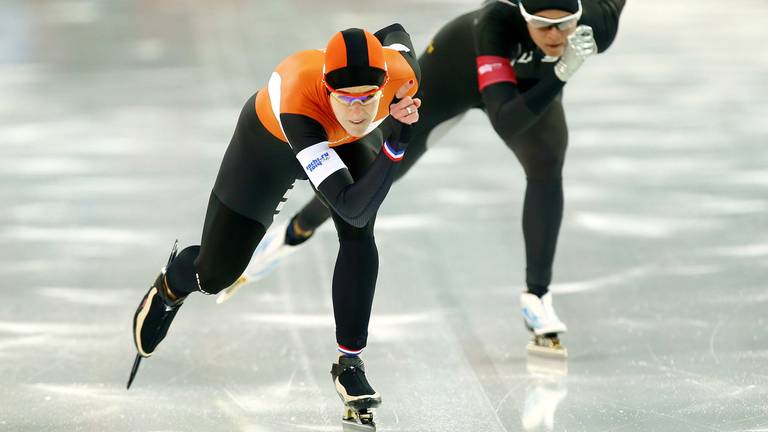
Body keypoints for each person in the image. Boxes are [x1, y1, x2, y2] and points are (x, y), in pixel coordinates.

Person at [220, 0, 625, 354]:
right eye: (541, 24)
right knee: (375, 174)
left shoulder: (599, 25)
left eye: (564, 24)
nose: (554, 36)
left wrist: (555, 72)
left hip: (528, 82)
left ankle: (537, 297)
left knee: (547, 165)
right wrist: (560, 73)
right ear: (520, 12)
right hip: (457, 71)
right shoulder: (496, 24)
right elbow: (506, 116)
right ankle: (295, 232)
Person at [128, 25, 421, 424]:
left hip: (340, 143)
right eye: (346, 99)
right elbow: (351, 204)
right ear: (327, 88)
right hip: (268, 145)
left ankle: (349, 364)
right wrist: (395, 142)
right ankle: (172, 283)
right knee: (216, 275)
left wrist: (353, 52)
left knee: (359, 235)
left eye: (368, 98)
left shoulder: (403, 75)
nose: (358, 110)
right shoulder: (300, 95)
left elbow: (396, 33)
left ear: (385, 84)